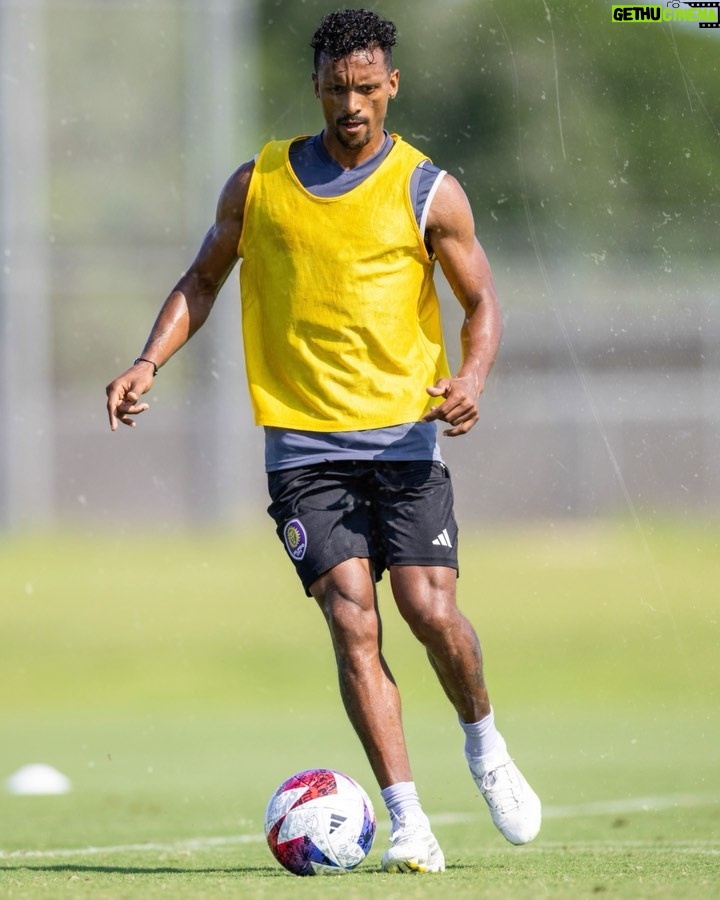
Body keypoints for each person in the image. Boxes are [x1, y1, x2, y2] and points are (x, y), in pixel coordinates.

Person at [106, 8, 541, 874]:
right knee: (353, 622)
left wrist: (472, 378)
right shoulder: (258, 183)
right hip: (304, 448)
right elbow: (202, 276)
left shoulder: (427, 189)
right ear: (316, 87)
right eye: (338, 89)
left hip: (404, 440)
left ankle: (484, 744)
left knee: (429, 611)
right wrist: (149, 358)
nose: (353, 105)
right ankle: (408, 819)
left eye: (368, 89)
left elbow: (481, 302)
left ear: (392, 87)